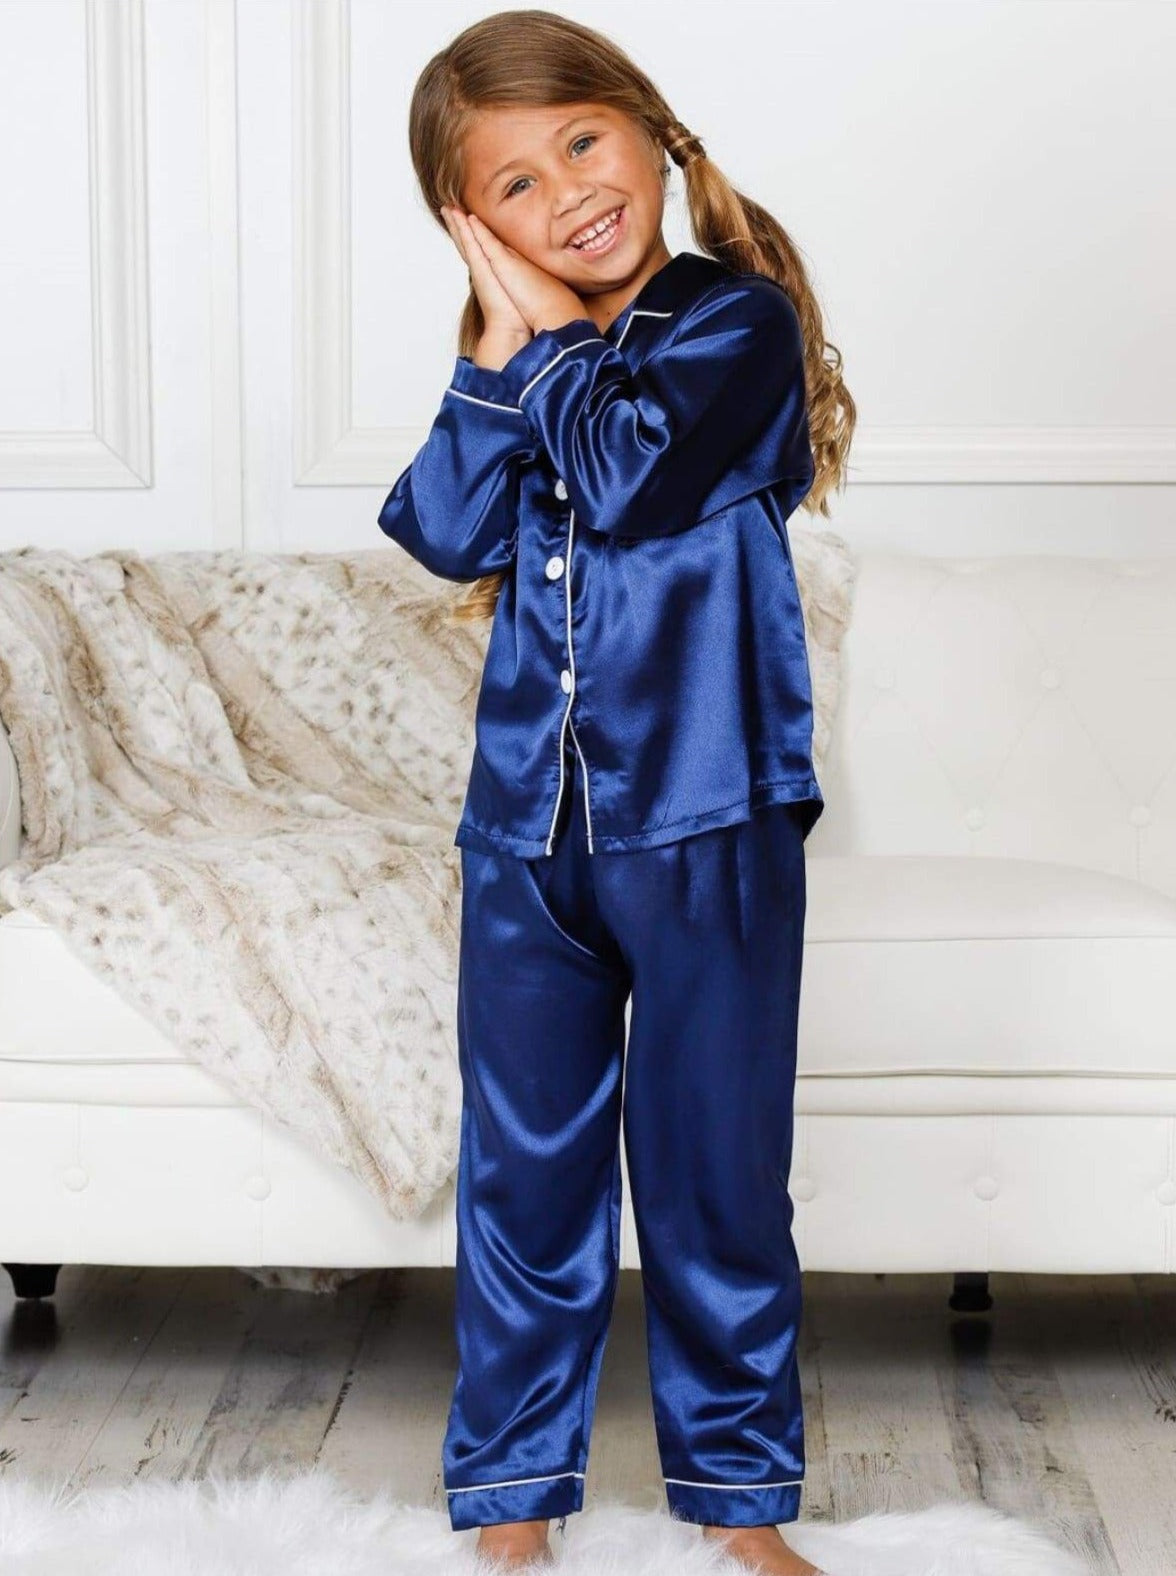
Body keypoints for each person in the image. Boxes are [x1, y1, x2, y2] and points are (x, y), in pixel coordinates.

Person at [376, 11, 856, 1572]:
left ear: (648, 129)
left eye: (582, 142)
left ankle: (740, 1508)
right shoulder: (526, 359)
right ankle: (513, 1505)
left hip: (709, 819)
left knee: (717, 1178)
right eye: (511, 186)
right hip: (527, 832)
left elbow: (635, 474)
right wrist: (496, 349)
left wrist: (545, 342)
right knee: (523, 1183)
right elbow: (442, 528)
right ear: (472, 226)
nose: (567, 194)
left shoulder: (736, 326)